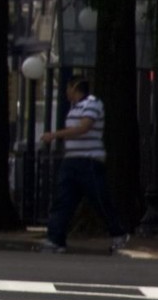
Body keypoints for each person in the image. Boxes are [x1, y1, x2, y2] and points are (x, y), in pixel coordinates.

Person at [40, 75, 119, 252]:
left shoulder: (92, 103)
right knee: (63, 200)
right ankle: (55, 239)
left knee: (100, 199)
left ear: (74, 87)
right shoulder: (74, 107)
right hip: (72, 159)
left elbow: (84, 127)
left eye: (68, 88)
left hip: (89, 160)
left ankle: (118, 233)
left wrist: (54, 135)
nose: (66, 92)